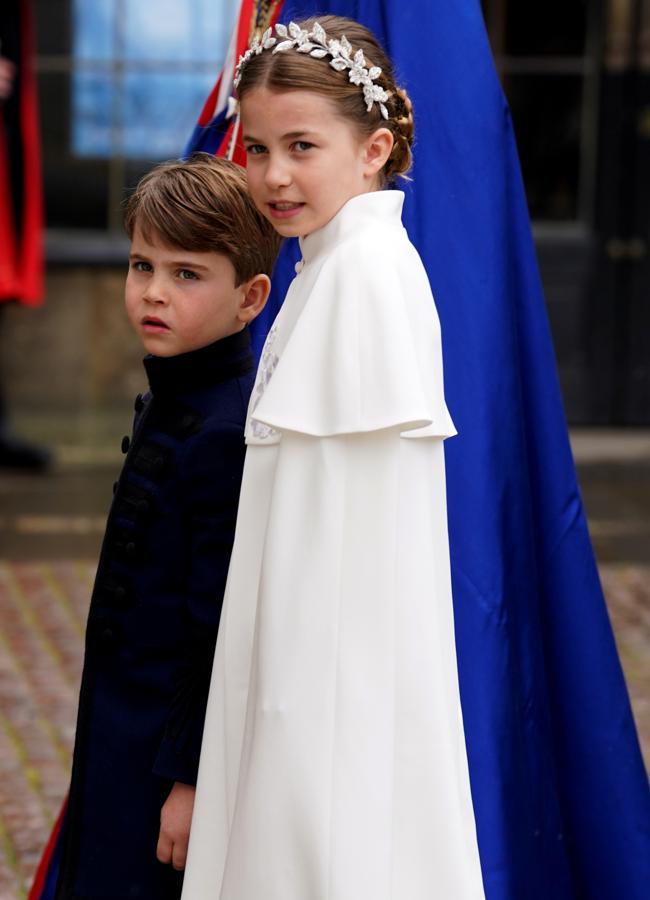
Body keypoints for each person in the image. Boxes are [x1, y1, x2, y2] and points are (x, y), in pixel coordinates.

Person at [182, 16, 486, 900]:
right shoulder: (329, 266)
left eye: (302, 146)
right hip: (296, 649)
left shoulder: (365, 277)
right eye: (257, 146)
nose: (273, 175)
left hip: (324, 667)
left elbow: (349, 525)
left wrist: (289, 705)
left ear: (374, 150)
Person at [42, 154, 281, 900]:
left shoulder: (224, 430)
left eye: (186, 274)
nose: (152, 292)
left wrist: (188, 779)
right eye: (142, 265)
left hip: (162, 751)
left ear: (250, 297)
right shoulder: (171, 394)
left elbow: (217, 628)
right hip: (117, 723)